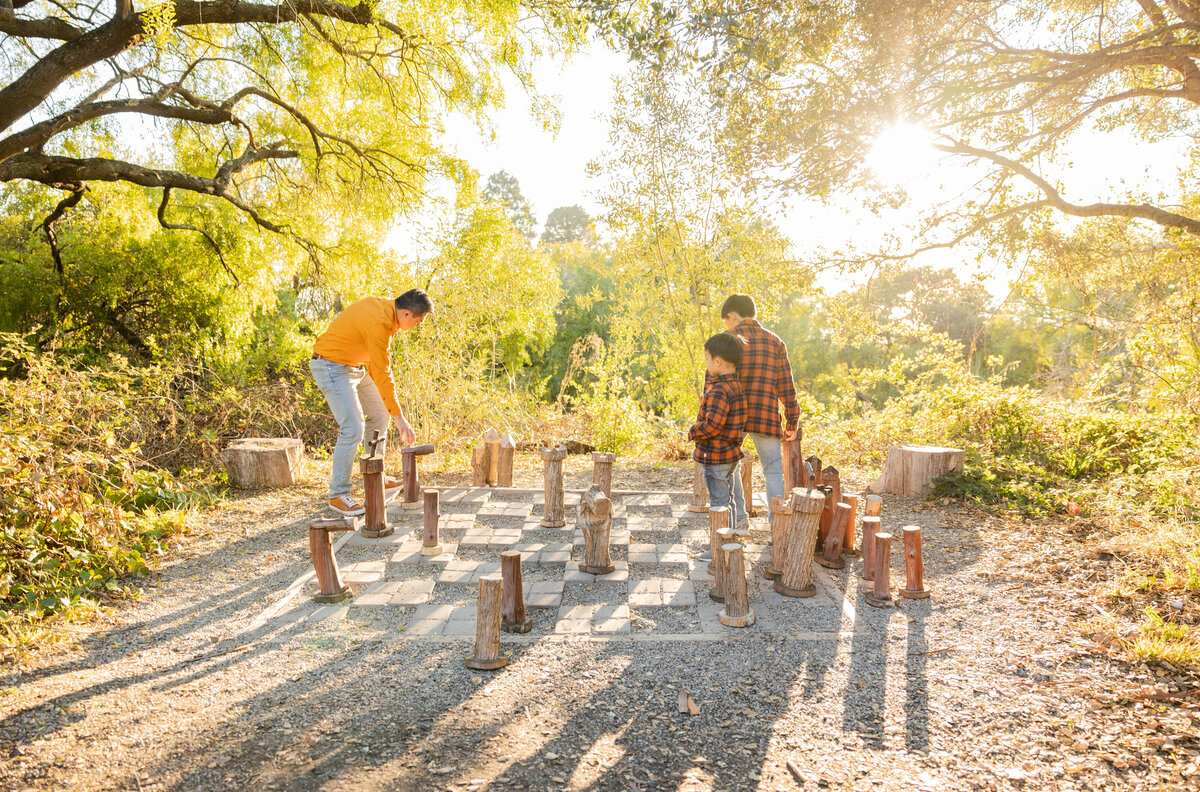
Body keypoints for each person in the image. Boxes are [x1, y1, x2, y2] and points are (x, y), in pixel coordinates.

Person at [309, 288, 433, 515]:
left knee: (380, 411)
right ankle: (338, 494)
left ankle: (377, 476)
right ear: (406, 314)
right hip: (331, 367)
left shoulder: (388, 312)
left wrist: (392, 410)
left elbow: (377, 368)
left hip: (353, 367)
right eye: (419, 321)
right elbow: (383, 373)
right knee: (353, 428)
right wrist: (400, 417)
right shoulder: (380, 322)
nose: (419, 326)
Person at [720, 294, 801, 528]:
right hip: (765, 414)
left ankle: (739, 521)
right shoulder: (775, 341)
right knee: (773, 469)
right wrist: (792, 420)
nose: (726, 326)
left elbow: (717, 383)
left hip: (732, 416)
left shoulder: (726, 341)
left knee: (728, 466)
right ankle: (778, 528)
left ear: (733, 316)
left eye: (726, 321)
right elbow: (786, 385)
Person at [688, 333, 748, 518]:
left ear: (718, 362)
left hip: (716, 456)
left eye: (707, 359)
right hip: (730, 455)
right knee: (727, 498)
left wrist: (693, 431)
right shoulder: (736, 387)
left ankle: (720, 544)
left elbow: (713, 426)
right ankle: (730, 536)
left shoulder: (718, 391)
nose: (706, 363)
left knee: (718, 503)